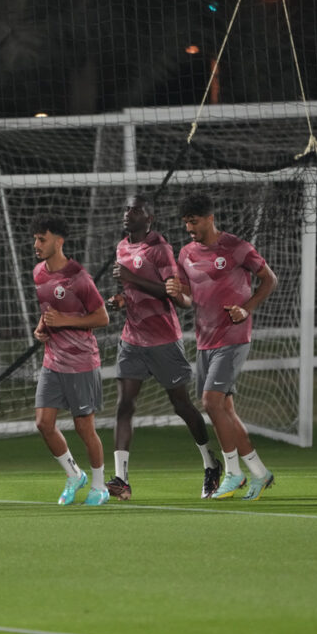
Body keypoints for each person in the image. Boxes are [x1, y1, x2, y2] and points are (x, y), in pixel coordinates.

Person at [106, 195, 220, 500]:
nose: (128, 213)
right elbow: (129, 290)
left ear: (149, 218)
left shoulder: (160, 248)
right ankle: (121, 479)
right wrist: (120, 300)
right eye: (126, 208)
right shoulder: (121, 247)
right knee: (124, 405)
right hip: (132, 339)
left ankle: (210, 463)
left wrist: (131, 278)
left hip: (163, 339)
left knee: (181, 405)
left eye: (135, 210)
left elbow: (173, 292)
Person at [165, 193, 277, 501]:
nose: (189, 228)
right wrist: (176, 293)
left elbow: (269, 279)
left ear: (210, 218)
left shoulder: (236, 247)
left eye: (194, 222)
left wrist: (246, 309)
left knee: (211, 402)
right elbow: (187, 299)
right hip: (205, 339)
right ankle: (260, 473)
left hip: (233, 336)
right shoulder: (186, 253)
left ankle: (233, 473)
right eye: (186, 222)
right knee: (225, 409)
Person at [32, 214, 111, 506]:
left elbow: (102, 317)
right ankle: (74, 475)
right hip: (52, 361)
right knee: (43, 423)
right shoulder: (38, 273)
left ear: (59, 242)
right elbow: (49, 309)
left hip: (81, 363)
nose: (36, 244)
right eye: (35, 239)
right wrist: (41, 327)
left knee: (84, 428)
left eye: (42, 239)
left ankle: (100, 487)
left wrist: (65, 320)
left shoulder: (78, 277)